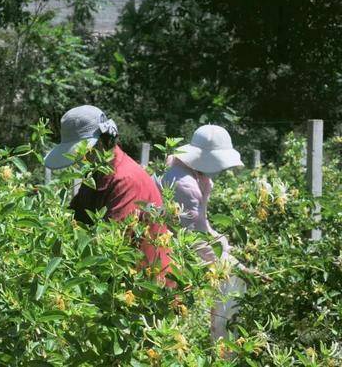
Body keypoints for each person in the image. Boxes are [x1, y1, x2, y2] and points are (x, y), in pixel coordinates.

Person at [158, 124, 266, 340]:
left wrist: (227, 251)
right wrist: (237, 267)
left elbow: (201, 226)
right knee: (170, 325)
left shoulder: (182, 168)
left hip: (167, 251)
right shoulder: (186, 185)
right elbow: (196, 241)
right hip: (167, 259)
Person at [44, 105, 171, 280]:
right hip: (120, 279)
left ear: (102, 142)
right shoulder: (98, 172)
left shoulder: (126, 179)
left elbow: (112, 242)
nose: (79, 158)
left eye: (83, 151)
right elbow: (76, 218)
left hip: (147, 288)